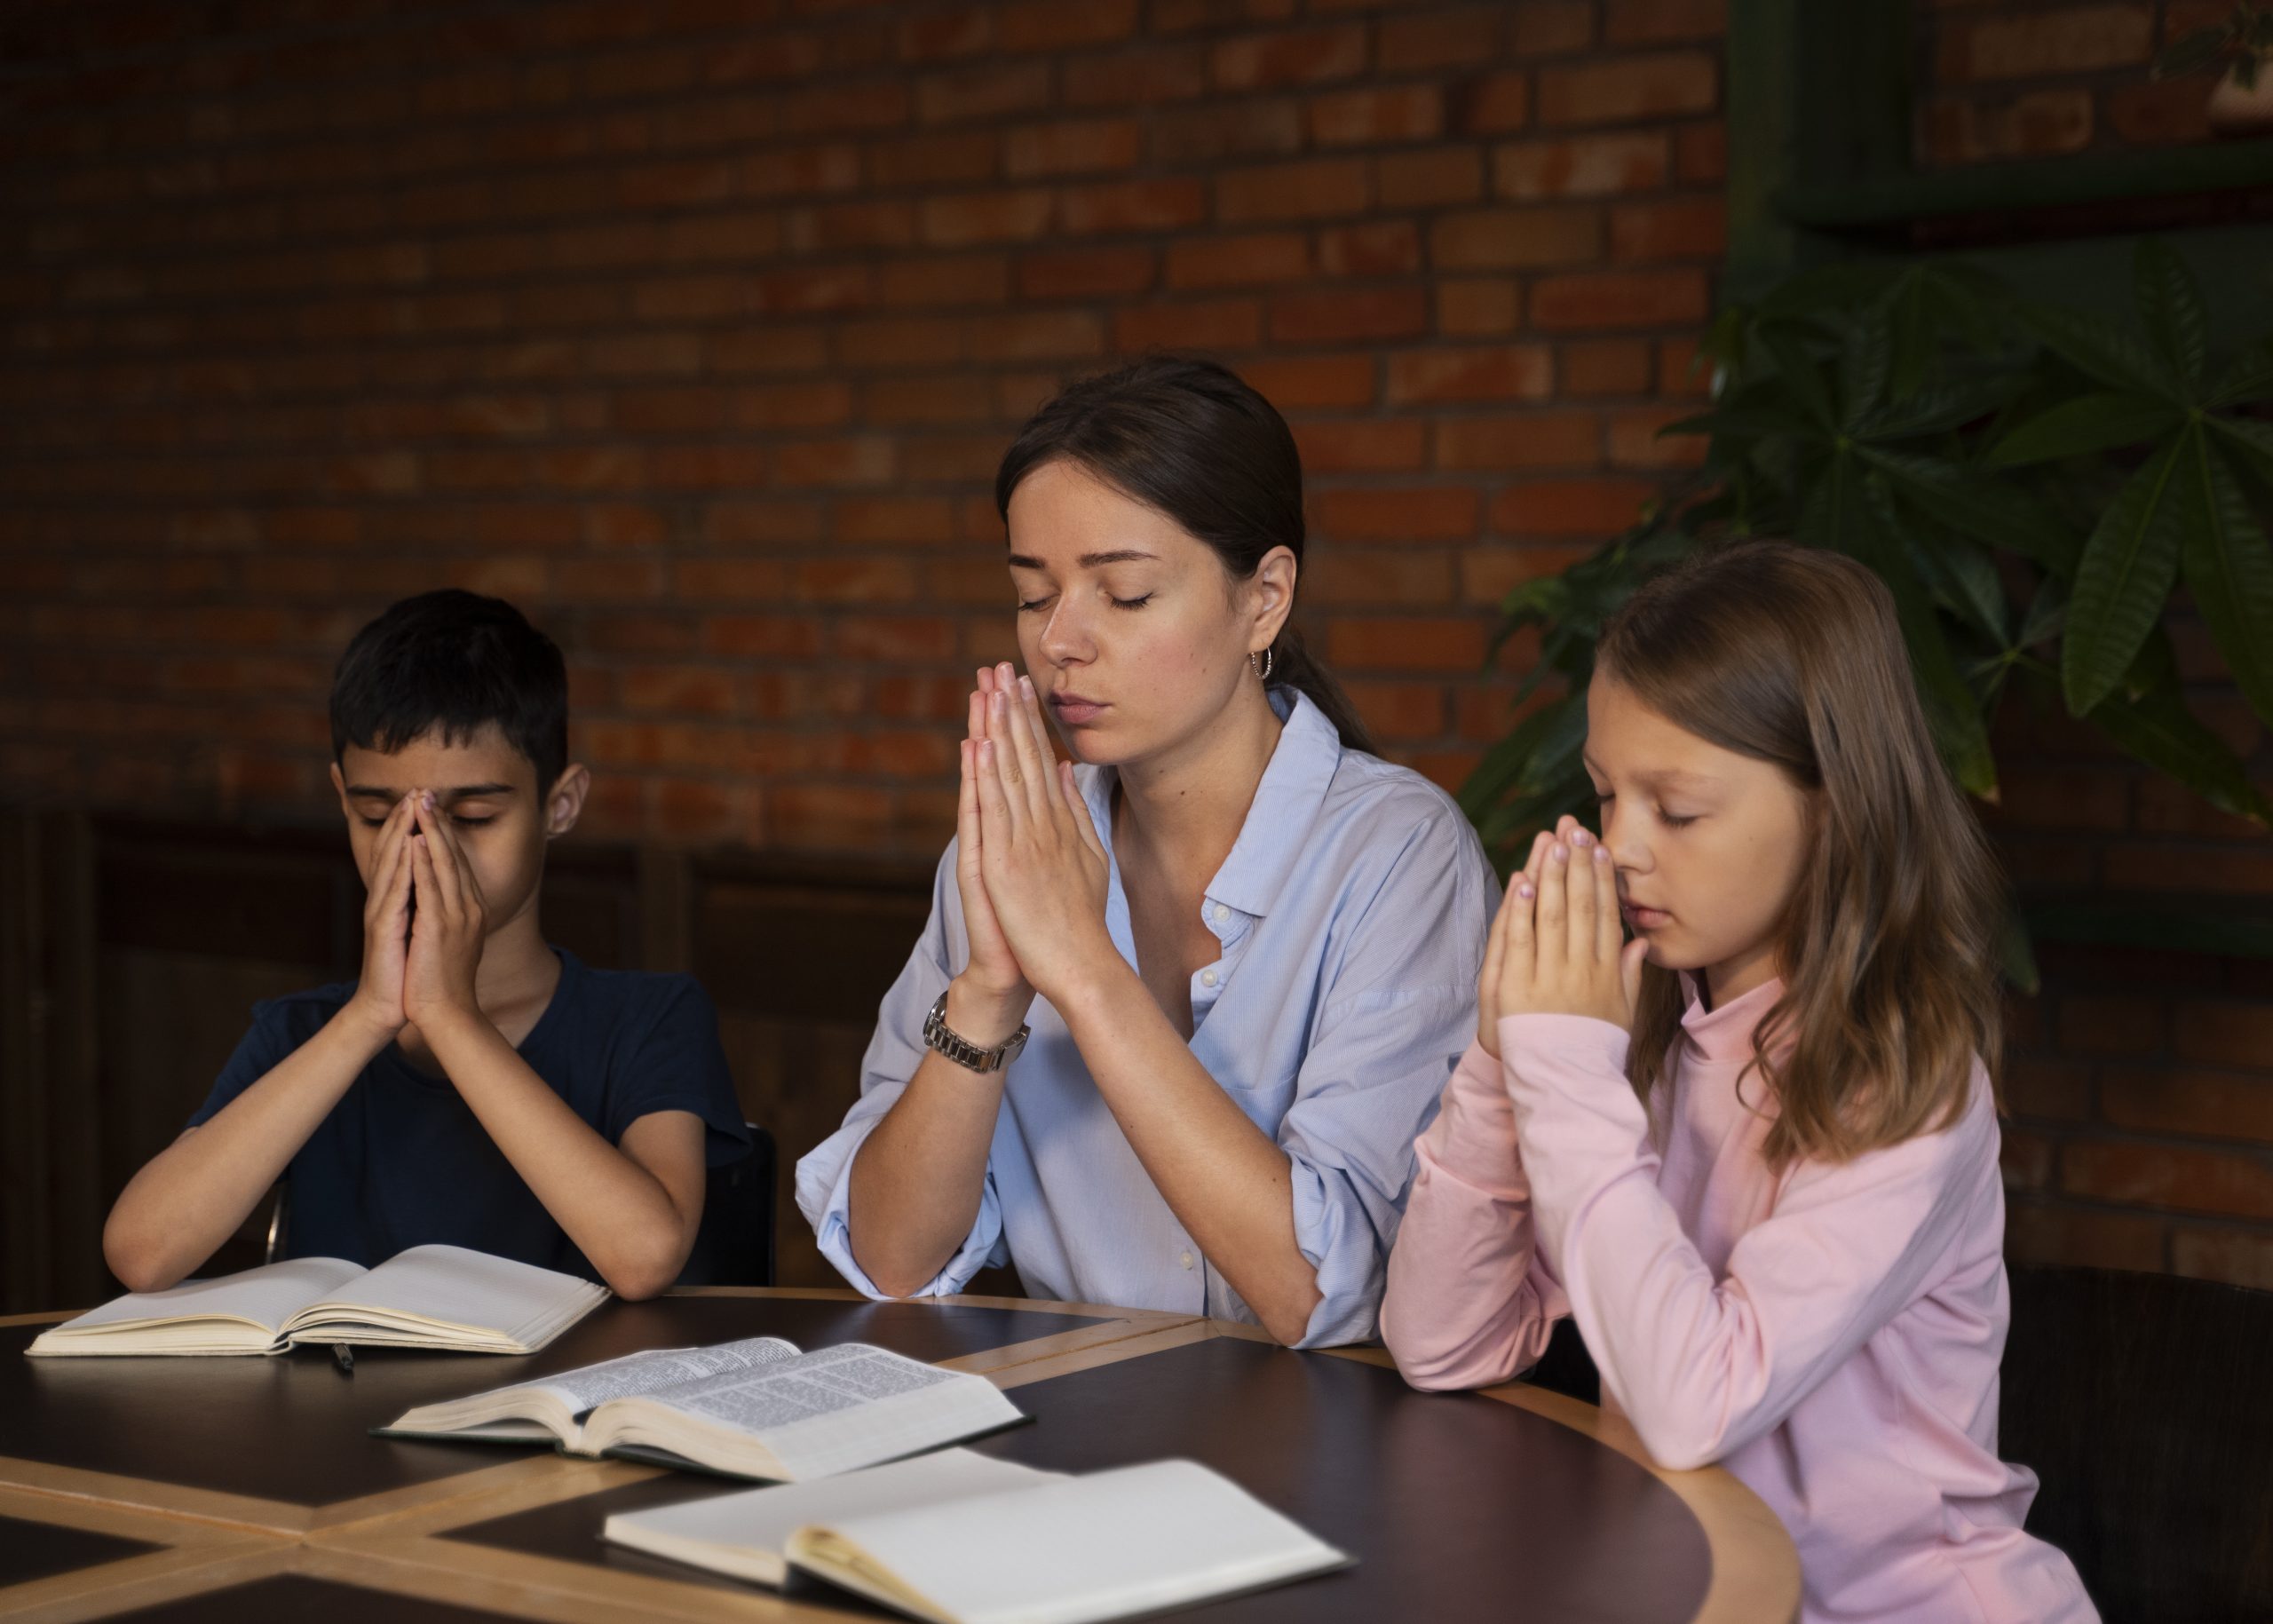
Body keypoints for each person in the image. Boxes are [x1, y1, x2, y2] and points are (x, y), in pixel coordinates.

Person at [1381, 543, 2095, 1620]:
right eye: (1605, 793)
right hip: (1693, 1589)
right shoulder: (1642, 1029)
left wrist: (1566, 1073)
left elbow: (1691, 1404)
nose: (1619, 845)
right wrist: (1499, 1057)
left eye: (1676, 809)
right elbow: (1441, 1341)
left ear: (1834, 807)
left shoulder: (1910, 1080)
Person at [796, 357, 1494, 1347]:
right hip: (1074, 1434)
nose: (1062, 642)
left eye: (1122, 594)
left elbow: (1320, 1294)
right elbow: (892, 1260)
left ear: (1265, 598)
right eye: (1034, 596)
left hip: (1326, 1452)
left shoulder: (1397, 856)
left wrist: (1079, 966)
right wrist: (990, 990)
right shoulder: (1006, 856)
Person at [103, 590, 749, 1298]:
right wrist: (368, 1017)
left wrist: (450, 1015)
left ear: (558, 806)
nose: (418, 848)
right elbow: (141, 1251)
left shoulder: (648, 1019)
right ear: (342, 797)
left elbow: (645, 1255)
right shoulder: (303, 1034)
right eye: (376, 813)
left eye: (471, 816)